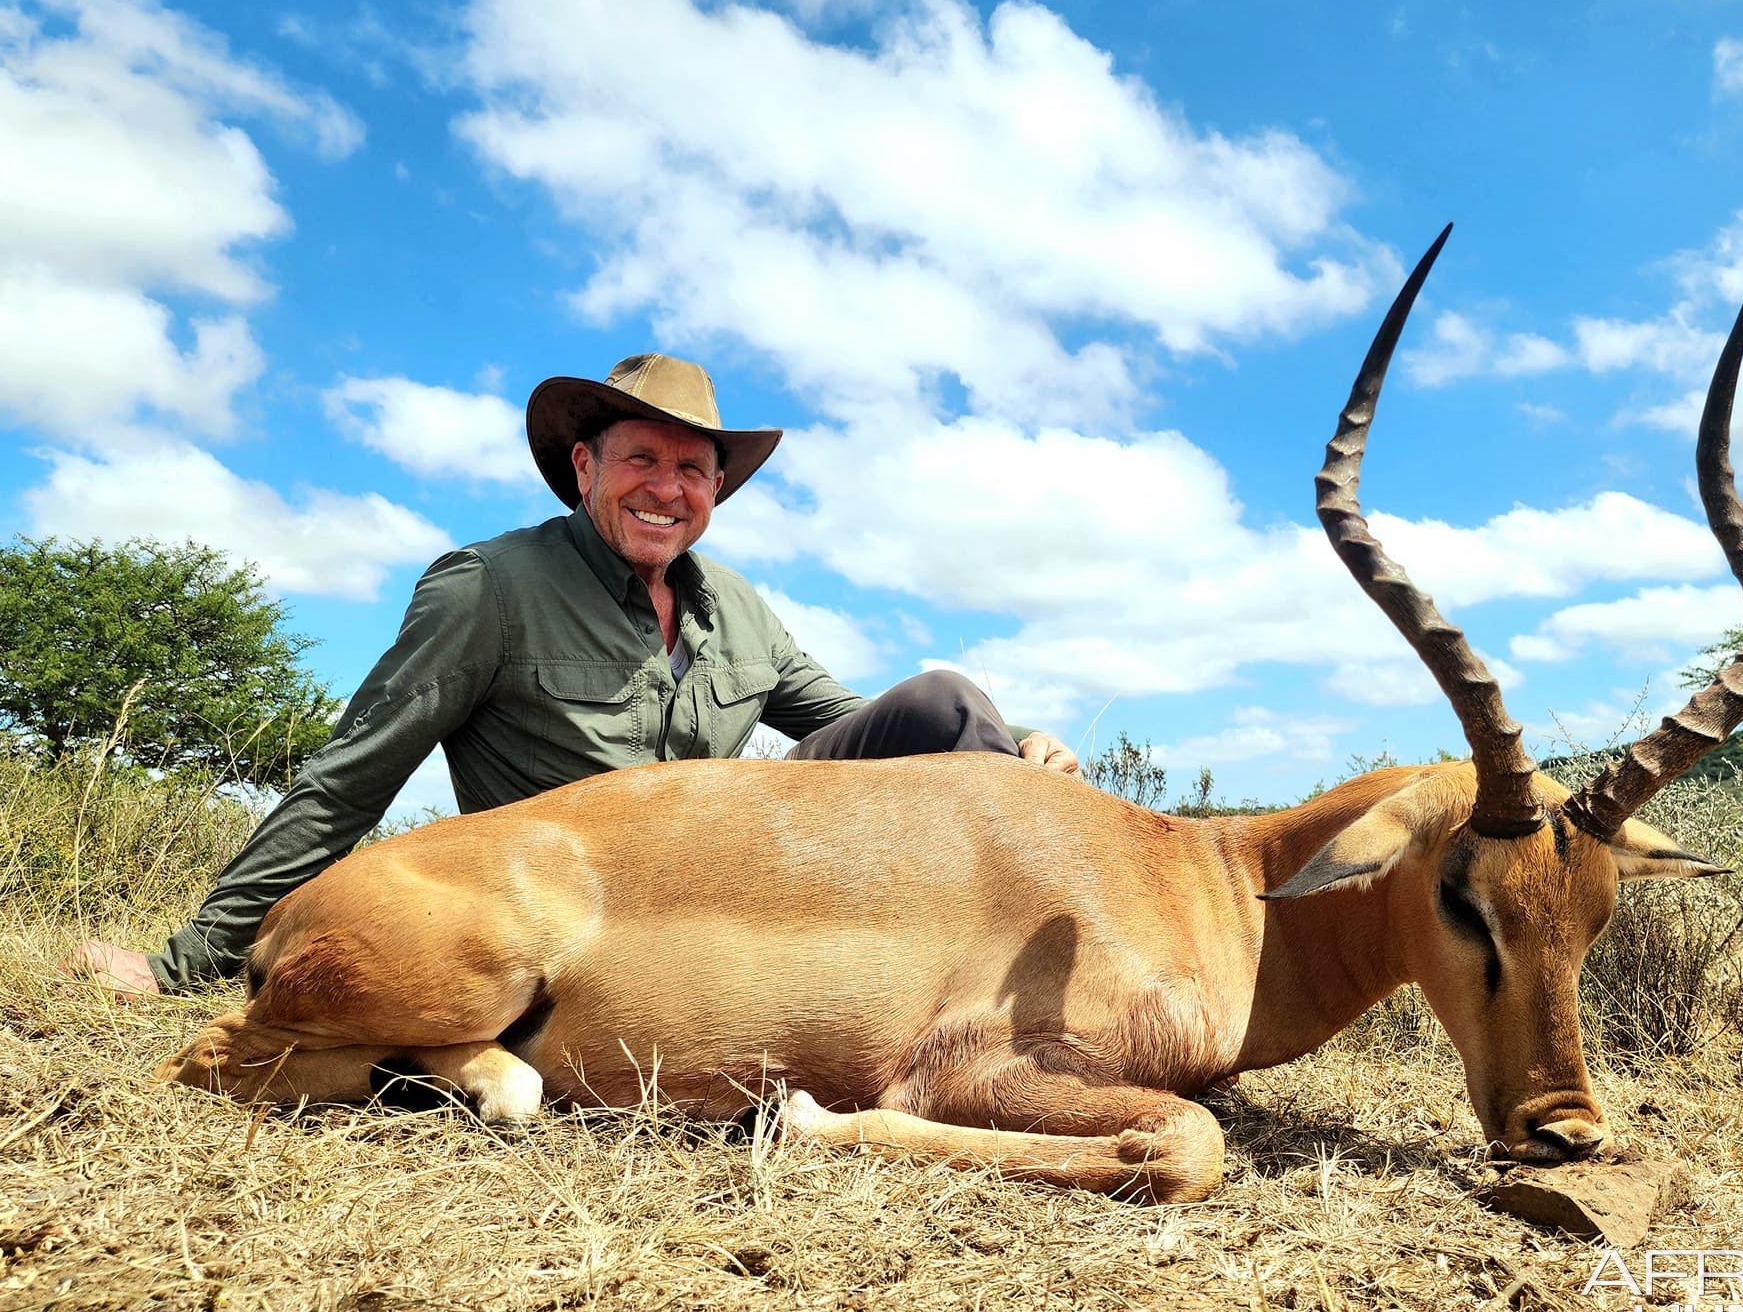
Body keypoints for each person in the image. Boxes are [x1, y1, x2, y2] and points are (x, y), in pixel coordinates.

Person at [65, 353, 1078, 996]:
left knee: (949, 706)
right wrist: (183, 964)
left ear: (715, 489)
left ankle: (1065, 969)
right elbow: (349, 778)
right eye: (641, 459)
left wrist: (1018, 749)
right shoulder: (488, 586)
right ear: (584, 465)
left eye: (693, 471)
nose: (666, 488)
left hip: (739, 881)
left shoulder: (736, 603)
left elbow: (870, 728)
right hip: (581, 902)